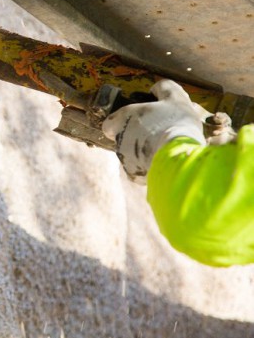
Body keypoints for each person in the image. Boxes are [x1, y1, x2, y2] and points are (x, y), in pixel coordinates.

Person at [102, 79, 254, 267]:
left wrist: (172, 134)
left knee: (177, 115)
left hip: (188, 190)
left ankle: (160, 138)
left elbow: (202, 223)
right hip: (222, 245)